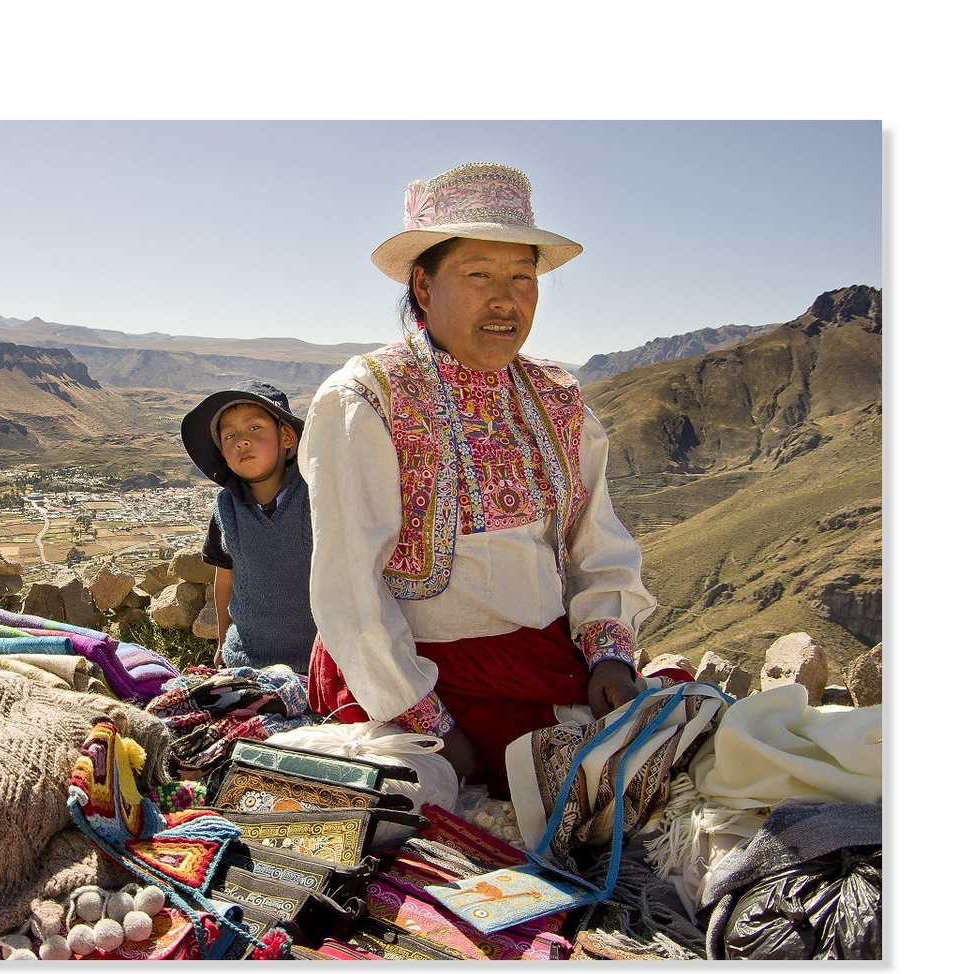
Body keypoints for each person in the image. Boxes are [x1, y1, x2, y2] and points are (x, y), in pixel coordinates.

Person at [298, 162, 658, 797]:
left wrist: (607, 652)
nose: (506, 299)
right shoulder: (363, 400)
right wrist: (429, 722)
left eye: (523, 277)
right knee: (414, 810)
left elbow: (596, 542)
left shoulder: (559, 400)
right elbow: (349, 586)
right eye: (479, 275)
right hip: (409, 679)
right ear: (423, 283)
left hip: (541, 668)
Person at [181, 379, 317, 674]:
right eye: (229, 435)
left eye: (255, 428)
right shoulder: (226, 509)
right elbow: (226, 578)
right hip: (245, 660)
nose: (241, 440)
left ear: (287, 438)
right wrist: (221, 642)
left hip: (315, 663)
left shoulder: (314, 498)